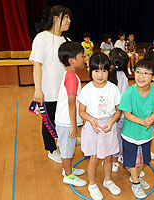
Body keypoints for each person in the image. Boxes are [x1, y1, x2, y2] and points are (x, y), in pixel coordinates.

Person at [29, 5, 71, 163]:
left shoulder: (66, 40)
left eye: (69, 18)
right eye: (65, 17)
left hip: (64, 90)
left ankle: (63, 139)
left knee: (63, 118)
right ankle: (51, 149)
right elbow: (37, 65)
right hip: (49, 91)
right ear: (55, 18)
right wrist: (38, 90)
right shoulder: (42, 37)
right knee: (48, 120)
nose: (69, 21)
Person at [78, 53, 122, 200]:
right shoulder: (86, 89)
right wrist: (91, 120)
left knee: (109, 156)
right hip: (93, 127)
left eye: (104, 71)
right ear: (90, 70)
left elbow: (119, 110)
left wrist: (112, 122)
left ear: (109, 71)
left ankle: (108, 180)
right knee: (94, 158)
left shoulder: (113, 88)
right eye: (96, 70)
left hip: (109, 126)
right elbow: (82, 111)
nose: (100, 75)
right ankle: (92, 184)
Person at [119, 59, 154, 199]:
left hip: (146, 134)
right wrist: (143, 121)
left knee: (144, 160)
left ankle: (135, 177)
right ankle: (136, 183)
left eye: (146, 73)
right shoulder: (129, 93)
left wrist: (153, 119)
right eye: (138, 72)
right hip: (130, 134)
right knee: (132, 161)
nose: (140, 76)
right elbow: (127, 114)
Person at [55, 41, 87, 186]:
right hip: (67, 122)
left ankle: (68, 169)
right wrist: (74, 126)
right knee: (67, 149)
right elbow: (71, 103)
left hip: (66, 120)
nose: (85, 58)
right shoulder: (72, 78)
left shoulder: (69, 74)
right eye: (82, 55)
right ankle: (68, 175)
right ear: (72, 60)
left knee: (68, 146)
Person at [109, 48, 129, 172]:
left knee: (114, 139)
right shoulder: (124, 76)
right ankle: (121, 158)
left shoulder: (110, 75)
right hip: (122, 115)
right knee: (122, 138)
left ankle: (115, 161)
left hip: (113, 115)